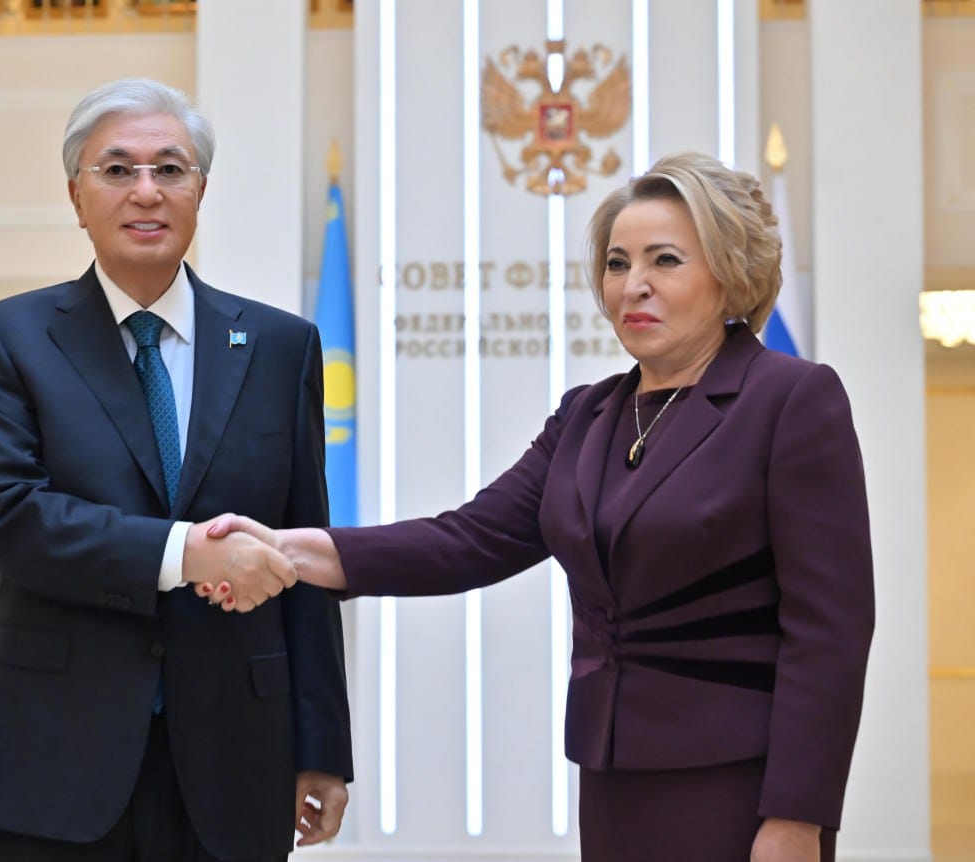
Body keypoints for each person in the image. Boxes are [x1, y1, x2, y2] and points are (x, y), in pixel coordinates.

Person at [203, 152, 874, 861]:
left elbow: (829, 631)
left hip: (739, 781)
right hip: (611, 773)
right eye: (617, 263)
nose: (633, 285)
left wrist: (797, 815)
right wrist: (281, 548)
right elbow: (467, 540)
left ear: (730, 272)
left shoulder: (791, 400)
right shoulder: (588, 416)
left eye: (666, 261)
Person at [0, 77, 354, 862]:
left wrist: (323, 745)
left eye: (170, 169)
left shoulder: (281, 347)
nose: (146, 191)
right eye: (117, 169)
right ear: (77, 194)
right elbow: (7, 515)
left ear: (200, 189)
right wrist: (184, 553)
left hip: (238, 750)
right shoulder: (9, 339)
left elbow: (303, 551)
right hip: (54, 752)